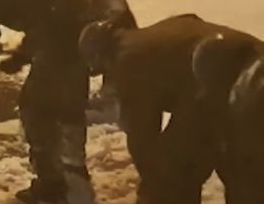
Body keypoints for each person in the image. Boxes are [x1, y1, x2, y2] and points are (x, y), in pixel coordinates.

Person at [0, 0, 136, 204]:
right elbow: (46, 15)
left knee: (35, 107)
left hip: (61, 41)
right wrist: (21, 56)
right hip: (75, 34)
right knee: (68, 105)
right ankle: (71, 174)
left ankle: (55, 184)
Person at [79, 14, 264, 204]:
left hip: (225, 82)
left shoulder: (127, 59)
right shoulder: (164, 27)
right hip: (253, 67)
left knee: (176, 173)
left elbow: (142, 134)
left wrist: (154, 185)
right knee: (244, 168)